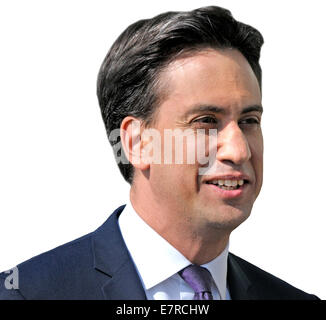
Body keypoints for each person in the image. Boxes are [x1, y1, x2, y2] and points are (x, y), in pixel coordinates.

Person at [0, 6, 319, 300]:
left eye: (249, 121)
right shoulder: (26, 294)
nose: (238, 150)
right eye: (205, 121)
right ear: (137, 143)